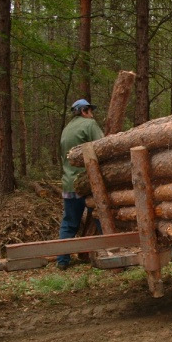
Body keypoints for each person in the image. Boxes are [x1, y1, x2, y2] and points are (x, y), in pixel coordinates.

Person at [57, 99, 104, 270]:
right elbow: (103, 146)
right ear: (84, 110)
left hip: (69, 183)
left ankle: (62, 260)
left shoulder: (67, 129)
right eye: (90, 110)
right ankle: (112, 252)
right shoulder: (89, 125)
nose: (92, 113)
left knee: (69, 223)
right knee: (100, 217)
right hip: (87, 183)